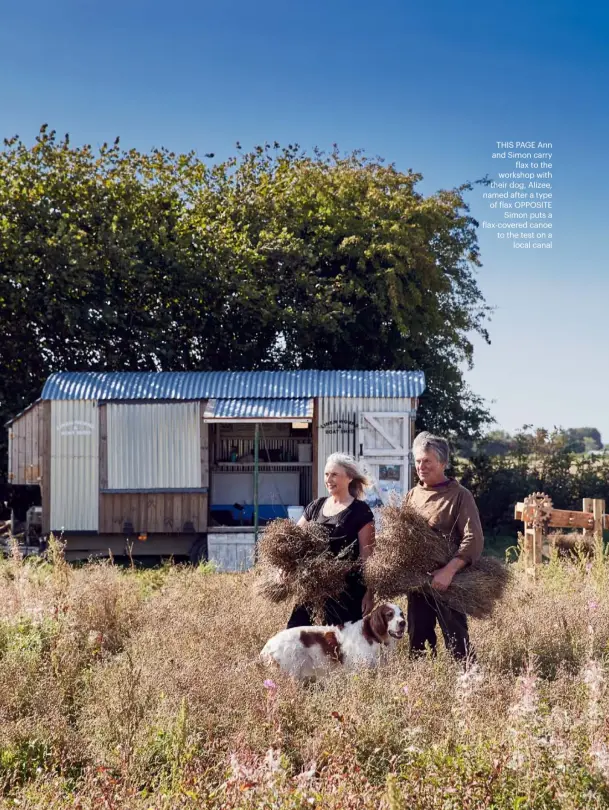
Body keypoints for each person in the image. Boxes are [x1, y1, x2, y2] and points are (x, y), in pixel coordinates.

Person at [406, 431, 484, 660]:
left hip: (449, 583)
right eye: (418, 461)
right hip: (418, 583)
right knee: (418, 641)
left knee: (457, 644)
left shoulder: (460, 496)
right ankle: (422, 687)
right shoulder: (413, 495)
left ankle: (468, 686)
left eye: (427, 461)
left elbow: (473, 539)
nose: (421, 466)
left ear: (443, 462)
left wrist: (448, 572)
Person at [286, 453, 375, 628]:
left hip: (346, 592)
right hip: (313, 587)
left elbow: (368, 556)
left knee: (341, 646)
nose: (329, 479)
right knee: (296, 633)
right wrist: (284, 566)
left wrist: (370, 593)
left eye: (334, 474)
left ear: (349, 478)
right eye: (327, 474)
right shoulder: (316, 506)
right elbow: (293, 539)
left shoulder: (360, 511)